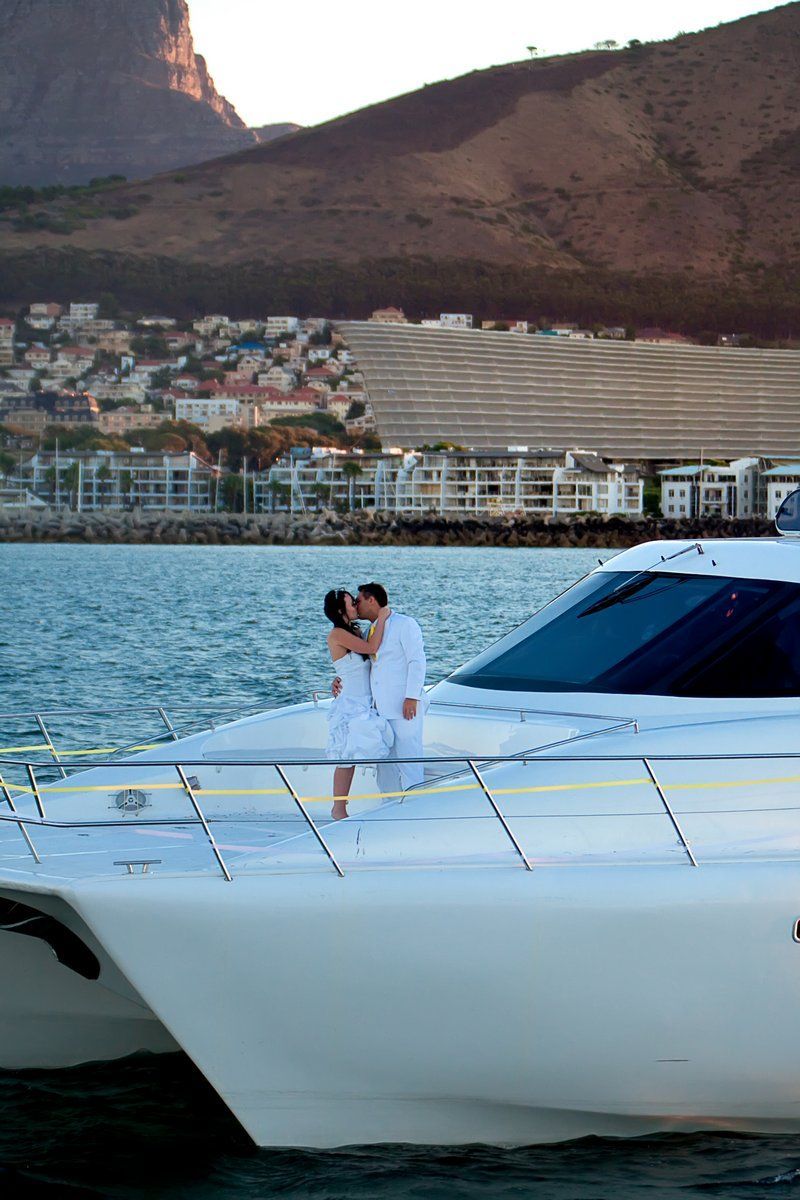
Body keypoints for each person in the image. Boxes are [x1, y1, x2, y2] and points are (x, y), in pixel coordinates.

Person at [324, 589, 393, 821]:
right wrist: (382, 618)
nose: (356, 605)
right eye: (351, 603)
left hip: (364, 700)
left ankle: (342, 808)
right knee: (346, 757)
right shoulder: (337, 634)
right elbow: (371, 648)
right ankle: (338, 809)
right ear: (341, 610)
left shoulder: (353, 631)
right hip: (351, 702)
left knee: (353, 755)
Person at [354, 582, 427, 797]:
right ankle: (388, 807)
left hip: (404, 706)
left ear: (371, 600)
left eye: (358, 601)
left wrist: (412, 697)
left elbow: (417, 662)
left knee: (409, 759)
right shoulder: (370, 631)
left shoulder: (405, 624)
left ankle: (415, 806)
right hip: (379, 710)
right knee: (384, 765)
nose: (356, 606)